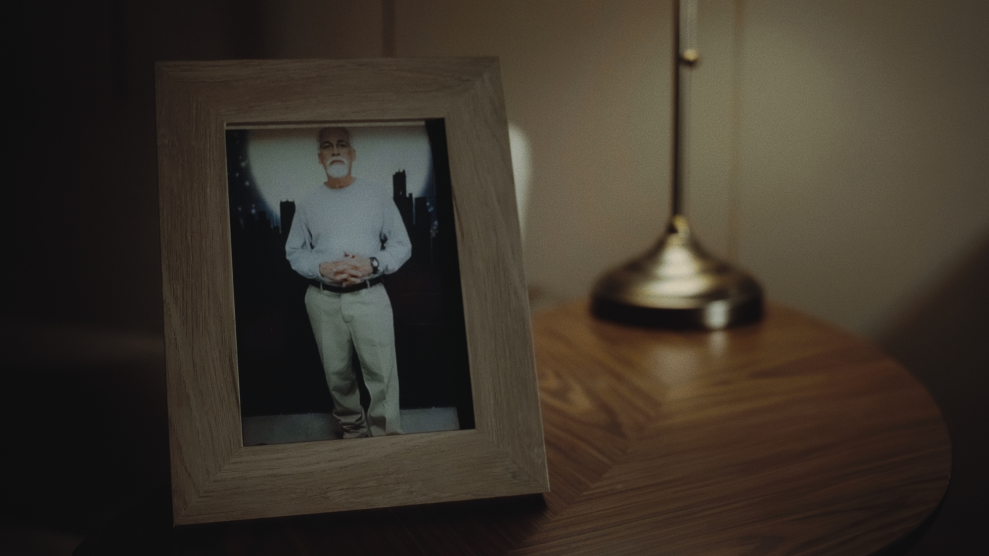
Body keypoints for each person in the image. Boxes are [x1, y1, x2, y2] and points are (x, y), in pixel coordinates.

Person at [285, 127, 411, 438]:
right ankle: (353, 433)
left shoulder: (377, 195)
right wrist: (320, 267)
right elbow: (294, 251)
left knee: (382, 373)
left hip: (370, 296)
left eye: (342, 145)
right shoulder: (308, 203)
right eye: (328, 146)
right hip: (323, 299)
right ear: (320, 158)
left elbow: (401, 244)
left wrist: (373, 263)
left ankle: (386, 438)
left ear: (353, 154)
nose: (336, 151)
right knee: (337, 374)